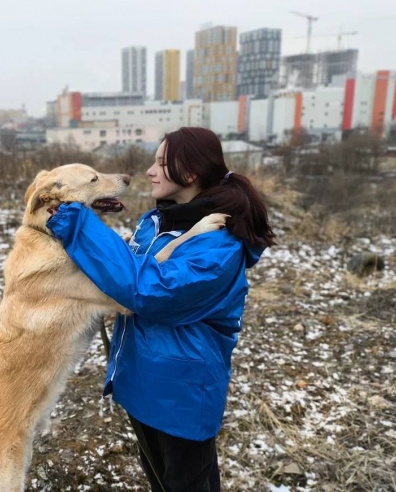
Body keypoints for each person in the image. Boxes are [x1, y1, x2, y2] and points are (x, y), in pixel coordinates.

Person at [46, 127, 276, 491]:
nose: (150, 171)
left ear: (188, 174)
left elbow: (147, 290)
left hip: (180, 397)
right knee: (159, 478)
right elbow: (131, 270)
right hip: (144, 386)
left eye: (160, 163)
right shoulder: (157, 221)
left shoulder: (219, 246)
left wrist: (77, 224)